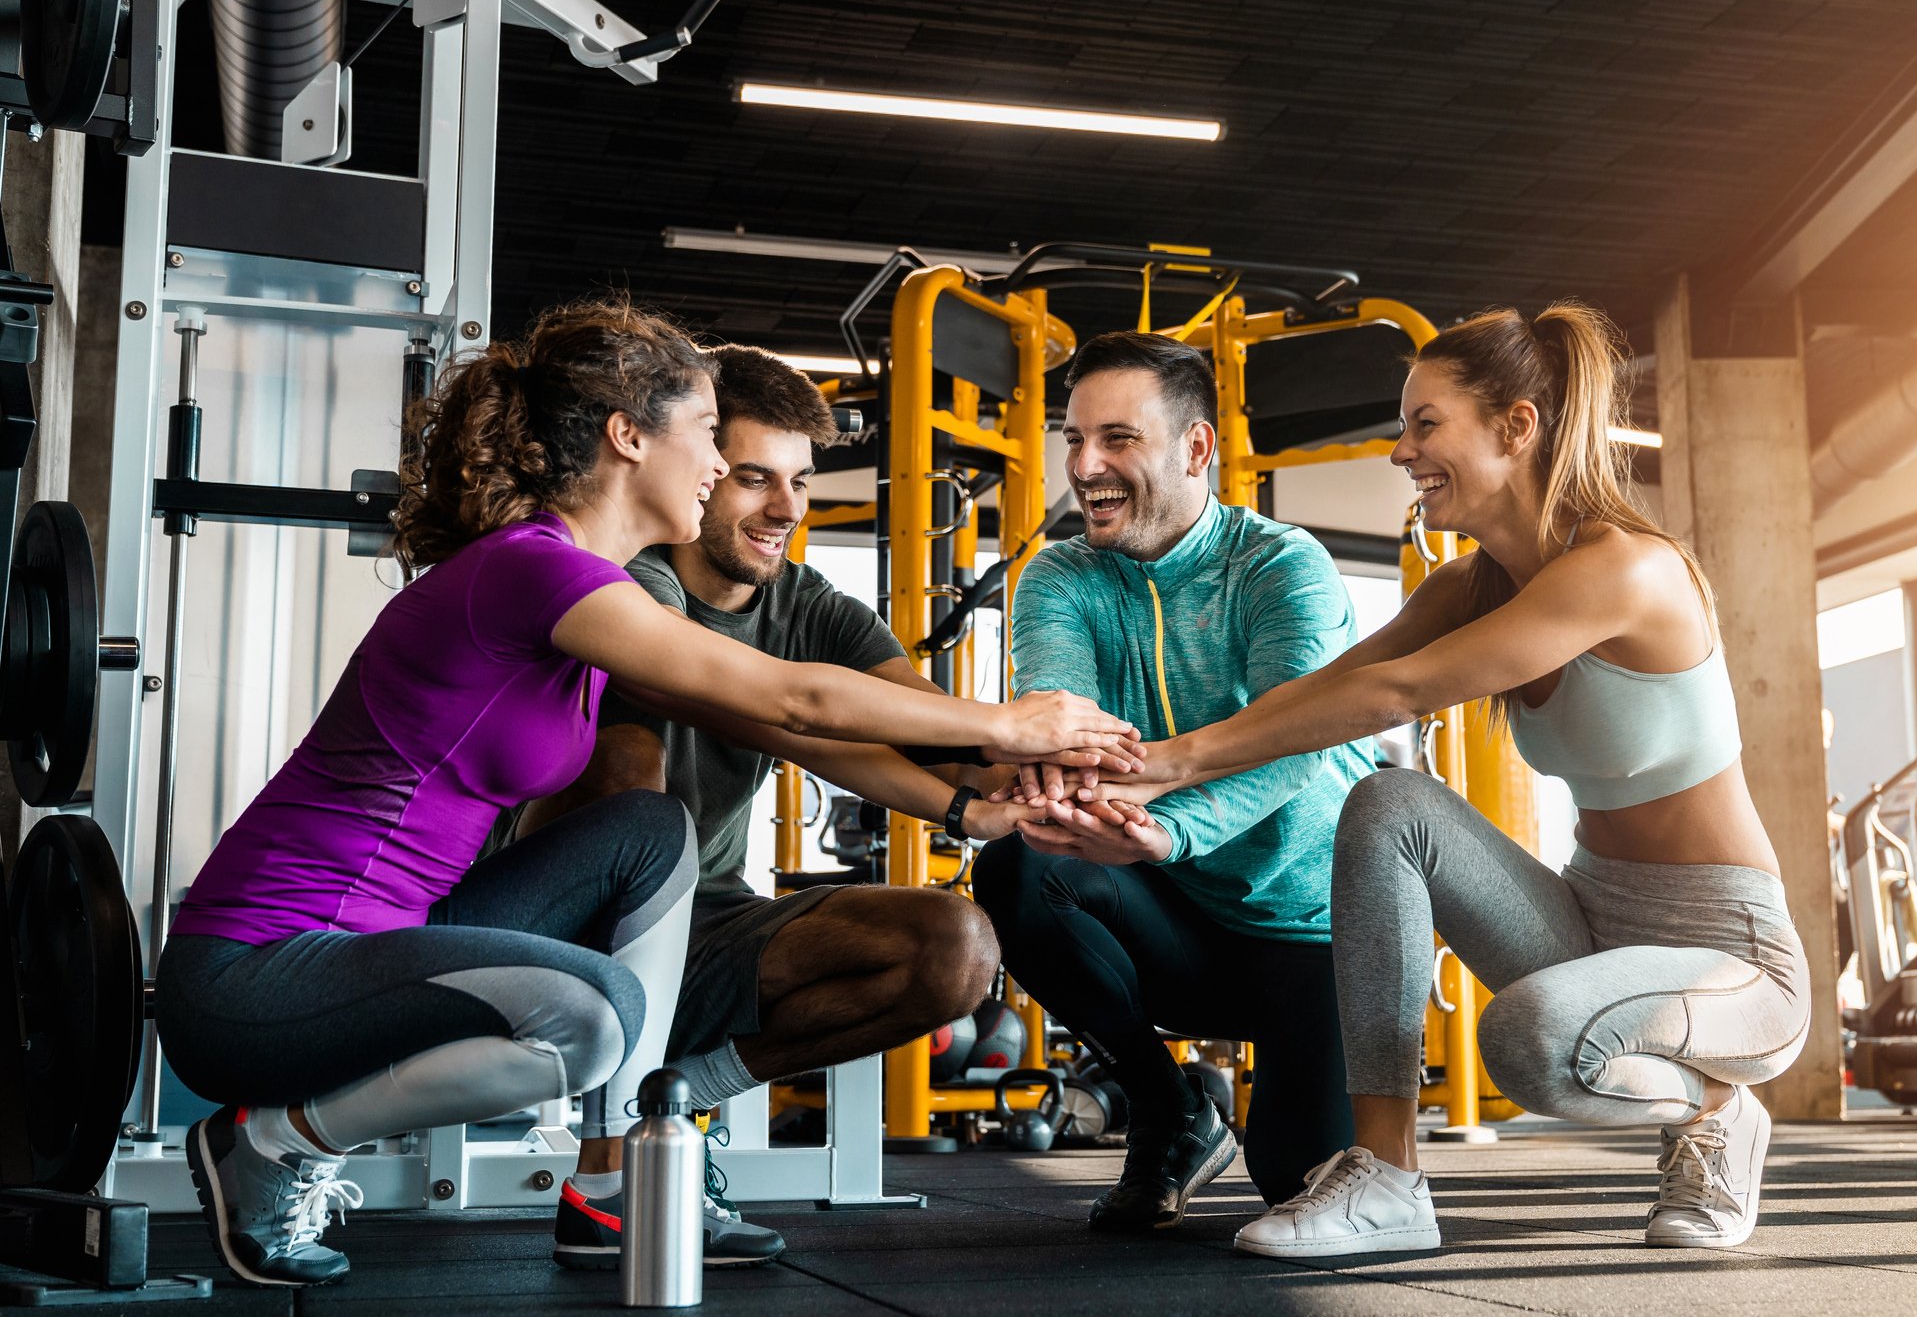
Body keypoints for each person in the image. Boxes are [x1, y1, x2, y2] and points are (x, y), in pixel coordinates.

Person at [156, 299, 1139, 1289]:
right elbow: (791, 699)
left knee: (649, 829)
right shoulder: (536, 573)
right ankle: (282, 1139)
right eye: (713, 438)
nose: (719, 469)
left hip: (386, 935)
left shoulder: (583, 583)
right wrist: (1008, 723)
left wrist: (992, 800)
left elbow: (800, 720)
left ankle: (629, 1164)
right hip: (257, 975)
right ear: (629, 436)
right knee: (595, 1011)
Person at [1064, 303, 1810, 1259]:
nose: (1399, 451)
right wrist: (1142, 785)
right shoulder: (1465, 588)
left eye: (1424, 424)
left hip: (1729, 952)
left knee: (1528, 1038)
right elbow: (1325, 690)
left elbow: (1394, 691)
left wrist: (1166, 765)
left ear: (1515, 428)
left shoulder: (1626, 571)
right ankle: (1387, 1177)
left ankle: (1717, 1105)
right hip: (1584, 920)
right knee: (1390, 803)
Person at [511, 344, 1046, 1266]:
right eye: (755, 479)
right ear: (703, 469)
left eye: (799, 481)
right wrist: (980, 760)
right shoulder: (627, 577)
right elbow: (789, 714)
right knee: (634, 771)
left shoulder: (808, 605)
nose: (787, 510)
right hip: (558, 927)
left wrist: (1058, 772)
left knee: (954, 947)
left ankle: (680, 1100)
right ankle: (611, 1178)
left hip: (711, 923)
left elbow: (931, 730)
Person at [970, 330, 1376, 1234]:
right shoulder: (1060, 577)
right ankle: (1169, 1109)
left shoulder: (1280, 566)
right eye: (1073, 439)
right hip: (1177, 922)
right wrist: (1119, 814)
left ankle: (1273, 1120)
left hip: (1314, 930)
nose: (1085, 465)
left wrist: (1172, 827)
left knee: (1300, 1196)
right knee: (1019, 871)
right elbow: (1069, 736)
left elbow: (1294, 740)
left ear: (1195, 449)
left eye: (1117, 438)